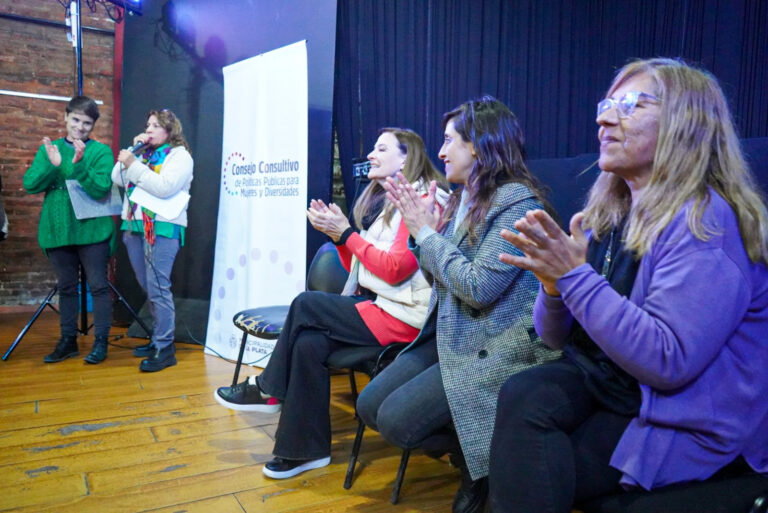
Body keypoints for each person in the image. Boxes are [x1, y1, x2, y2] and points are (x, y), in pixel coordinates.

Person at [488, 58, 768, 513]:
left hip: (689, 417)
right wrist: (554, 288)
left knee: (530, 442)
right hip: (627, 390)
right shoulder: (612, 214)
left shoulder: (706, 222)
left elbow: (667, 359)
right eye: (607, 103)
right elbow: (553, 336)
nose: (603, 117)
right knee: (526, 393)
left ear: (686, 125)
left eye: (631, 104)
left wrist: (574, 278)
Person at [356, 96, 561, 513]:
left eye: (450, 141)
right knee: (370, 406)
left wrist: (424, 234)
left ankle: (479, 462)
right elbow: (440, 282)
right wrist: (425, 234)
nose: (442, 152)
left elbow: (477, 287)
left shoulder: (518, 205)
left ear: (480, 147)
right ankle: (481, 446)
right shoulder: (464, 198)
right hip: (452, 333)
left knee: (397, 422)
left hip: (496, 348)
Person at [214, 128, 449, 479]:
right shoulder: (385, 202)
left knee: (306, 305)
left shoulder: (423, 201)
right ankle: (303, 452)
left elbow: (397, 269)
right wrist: (339, 239)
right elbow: (360, 267)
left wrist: (346, 235)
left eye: (380, 148)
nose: (370, 154)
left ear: (405, 158)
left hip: (406, 320)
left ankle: (268, 388)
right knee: (309, 344)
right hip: (380, 308)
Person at [23, 95, 115, 364]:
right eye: (75, 119)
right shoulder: (49, 149)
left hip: (92, 230)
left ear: (93, 125)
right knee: (66, 288)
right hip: (58, 230)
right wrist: (53, 167)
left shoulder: (100, 151)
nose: (80, 126)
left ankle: (101, 343)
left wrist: (79, 164)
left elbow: (101, 189)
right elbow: (30, 184)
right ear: (65, 117)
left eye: (87, 122)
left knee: (98, 287)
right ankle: (68, 341)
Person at [111, 109, 193, 372]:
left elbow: (165, 187)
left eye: (155, 126)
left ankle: (165, 348)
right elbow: (116, 177)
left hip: (163, 226)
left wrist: (133, 165)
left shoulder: (180, 157)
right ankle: (158, 338)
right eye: (147, 125)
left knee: (158, 287)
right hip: (134, 224)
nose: (148, 130)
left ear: (169, 130)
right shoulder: (143, 154)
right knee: (148, 285)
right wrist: (132, 152)